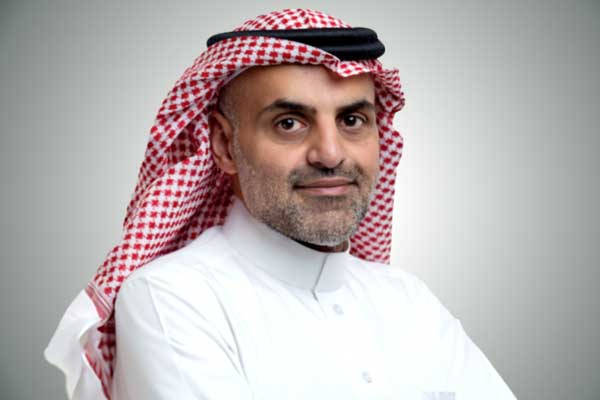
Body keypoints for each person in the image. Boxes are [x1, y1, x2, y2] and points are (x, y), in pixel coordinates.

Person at [45, 9, 517, 400]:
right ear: (224, 146)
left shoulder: (408, 301)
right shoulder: (173, 298)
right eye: (289, 123)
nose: (330, 154)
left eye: (353, 120)